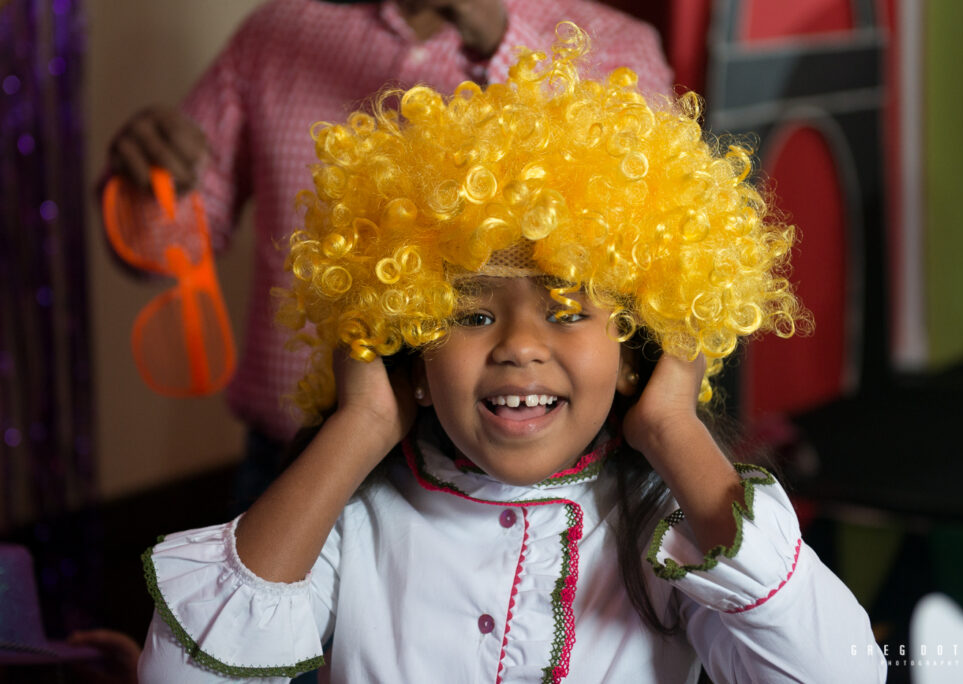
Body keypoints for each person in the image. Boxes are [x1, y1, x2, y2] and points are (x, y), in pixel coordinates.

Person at [136, 25, 886, 683]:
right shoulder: (354, 522)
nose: (521, 346)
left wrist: (674, 427)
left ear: (634, 349)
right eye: (469, 313)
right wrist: (363, 421)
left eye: (567, 309)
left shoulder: (676, 528)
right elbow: (181, 676)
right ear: (412, 342)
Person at [105, 0, 674, 507]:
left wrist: (492, 33)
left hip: (528, 477)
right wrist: (142, 186)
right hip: (296, 460)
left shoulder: (611, 40)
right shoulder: (274, 33)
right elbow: (165, 253)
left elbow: (649, 248)